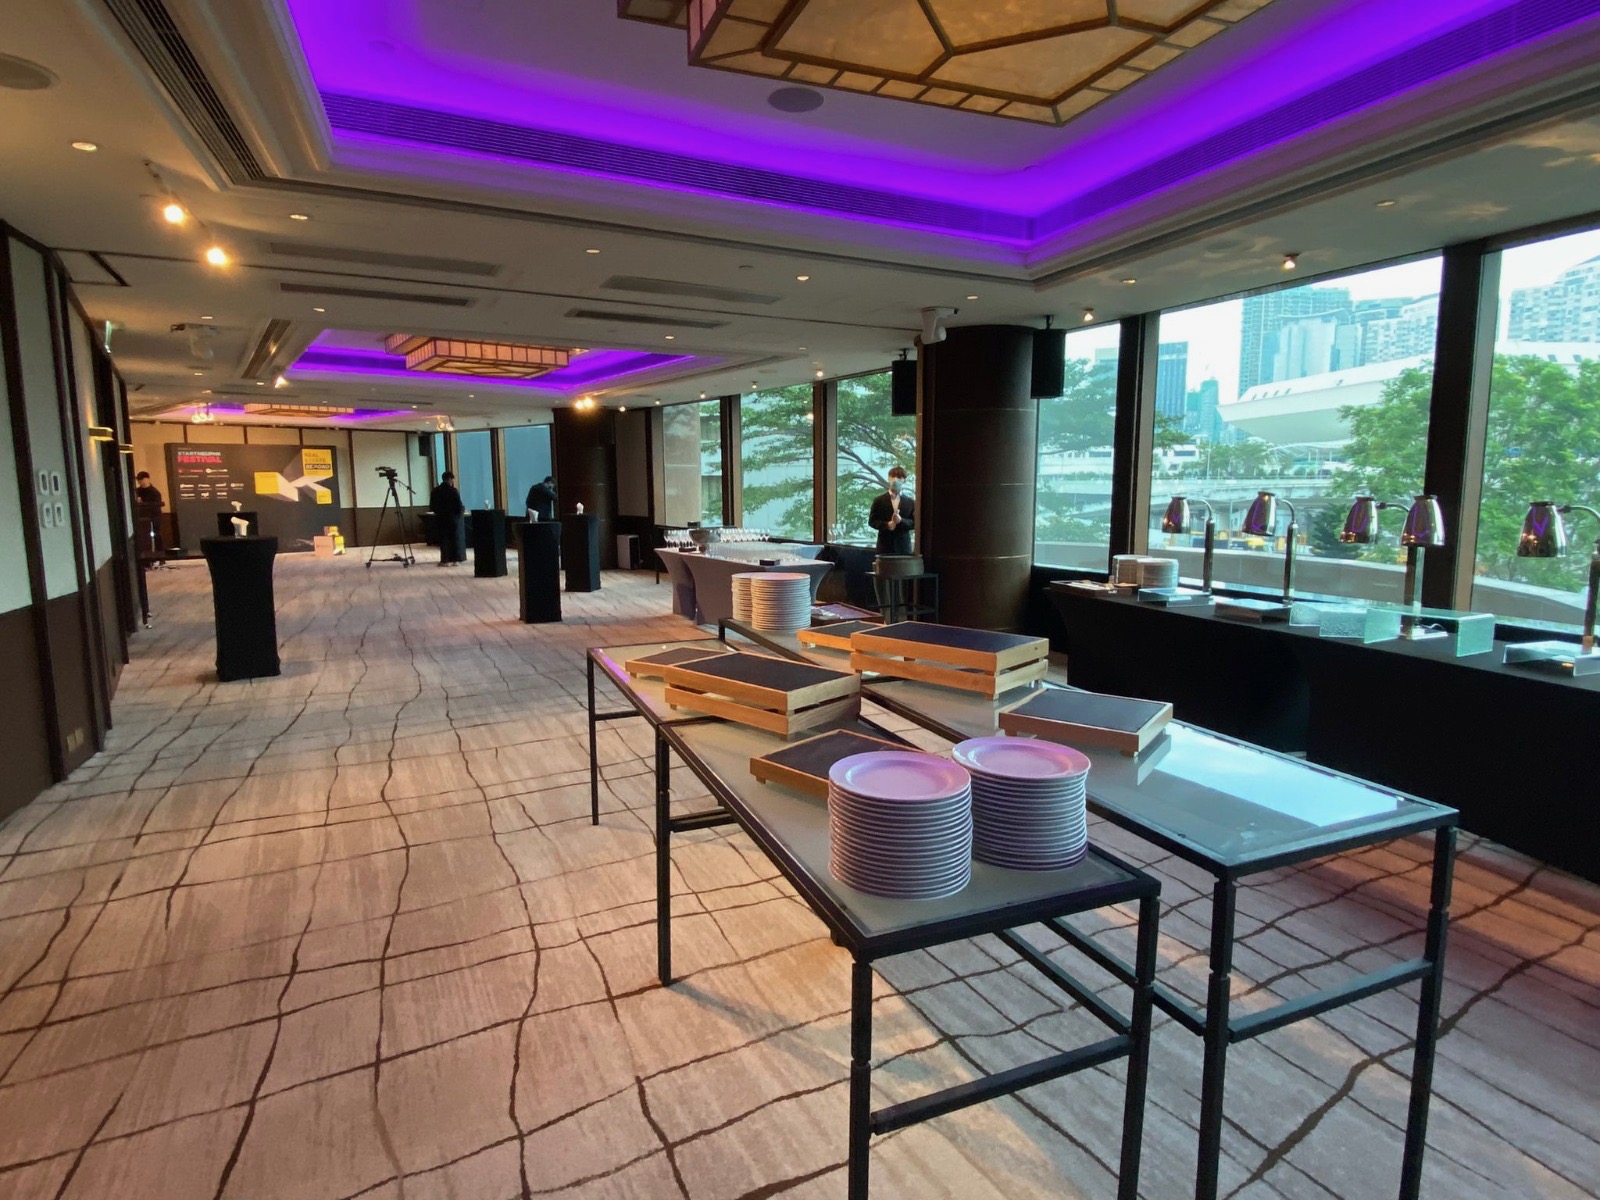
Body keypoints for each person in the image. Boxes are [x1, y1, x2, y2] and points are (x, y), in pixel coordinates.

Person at [868, 465, 915, 556]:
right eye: (893, 476)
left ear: (904, 480)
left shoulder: (910, 502)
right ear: (888, 478)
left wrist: (901, 521)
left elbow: (914, 523)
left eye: (899, 477)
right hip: (884, 547)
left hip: (903, 548)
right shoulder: (879, 500)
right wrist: (887, 525)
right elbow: (872, 521)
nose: (895, 480)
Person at [429, 471, 467, 566]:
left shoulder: (435, 491)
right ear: (449, 479)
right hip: (452, 519)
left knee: (443, 539)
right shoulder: (453, 491)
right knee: (454, 539)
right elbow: (459, 506)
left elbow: (432, 506)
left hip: (440, 518)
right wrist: (459, 512)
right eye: (452, 479)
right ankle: (455, 560)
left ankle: (445, 560)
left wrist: (439, 513)